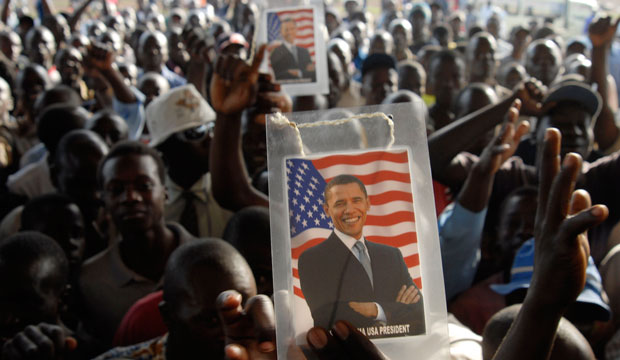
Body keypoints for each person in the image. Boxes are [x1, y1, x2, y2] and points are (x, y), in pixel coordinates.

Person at [79, 141, 196, 345]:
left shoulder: (204, 261)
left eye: (144, 186)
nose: (131, 197)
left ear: (165, 192)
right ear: (104, 200)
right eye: (116, 189)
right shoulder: (91, 282)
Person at [298, 174, 425, 334]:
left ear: (367, 204)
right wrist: (395, 312)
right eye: (340, 203)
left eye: (356, 200)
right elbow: (328, 318)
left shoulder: (391, 255)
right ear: (327, 210)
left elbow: (419, 312)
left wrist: (376, 310)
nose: (350, 210)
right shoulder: (312, 259)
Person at [269, 16, 315, 82]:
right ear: (281, 32)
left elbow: (313, 74)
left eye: (292, 29)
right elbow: (276, 75)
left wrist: (299, 73)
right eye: (286, 29)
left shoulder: (304, 51)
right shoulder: (276, 52)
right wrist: (289, 73)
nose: (289, 32)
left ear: (296, 30)